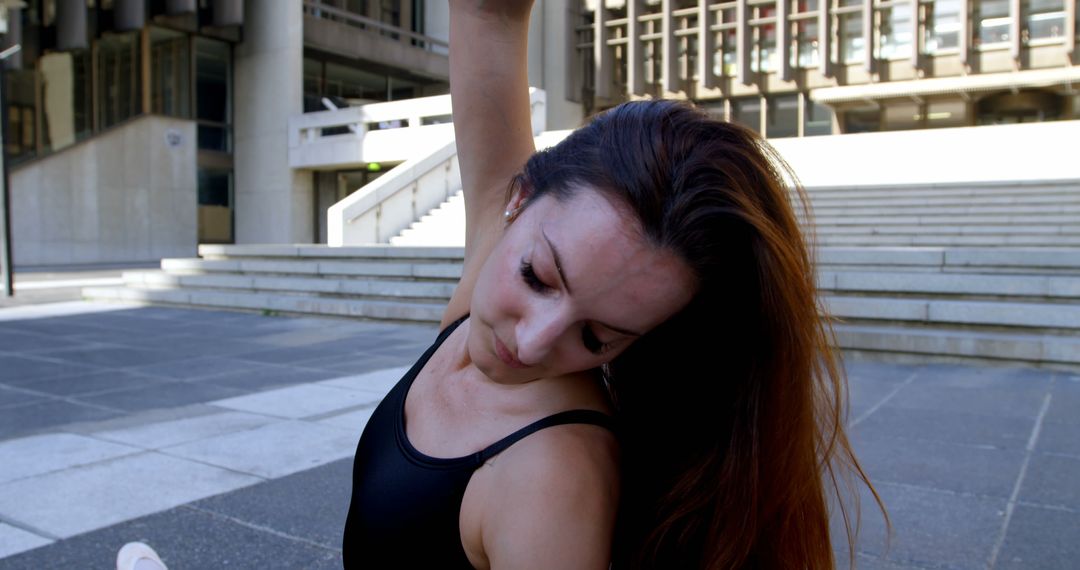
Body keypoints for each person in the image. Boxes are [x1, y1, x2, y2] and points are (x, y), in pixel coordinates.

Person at [341, 1, 885, 569]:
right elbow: (489, 17)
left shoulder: (552, 477)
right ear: (518, 199)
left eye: (597, 337)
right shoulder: (494, 251)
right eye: (538, 277)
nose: (533, 344)